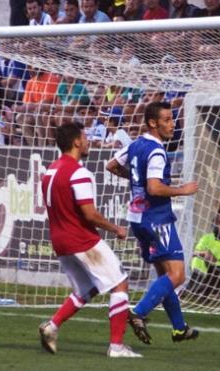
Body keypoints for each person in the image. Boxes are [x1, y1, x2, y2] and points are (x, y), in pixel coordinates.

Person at [38, 122, 142, 358]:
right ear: (76, 142)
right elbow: (89, 214)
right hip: (81, 239)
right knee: (120, 283)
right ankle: (116, 346)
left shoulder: (50, 171)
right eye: (85, 137)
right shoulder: (79, 172)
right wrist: (115, 229)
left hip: (60, 240)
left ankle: (51, 327)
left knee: (86, 289)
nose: (88, 141)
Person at [105, 101, 199, 345]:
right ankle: (138, 313)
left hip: (138, 219)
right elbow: (154, 187)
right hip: (157, 220)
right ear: (152, 123)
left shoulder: (136, 145)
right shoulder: (157, 151)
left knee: (164, 276)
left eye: (172, 118)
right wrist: (183, 190)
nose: (172, 124)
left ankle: (179, 328)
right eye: (167, 119)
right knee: (177, 276)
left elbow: (112, 165)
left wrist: (135, 180)